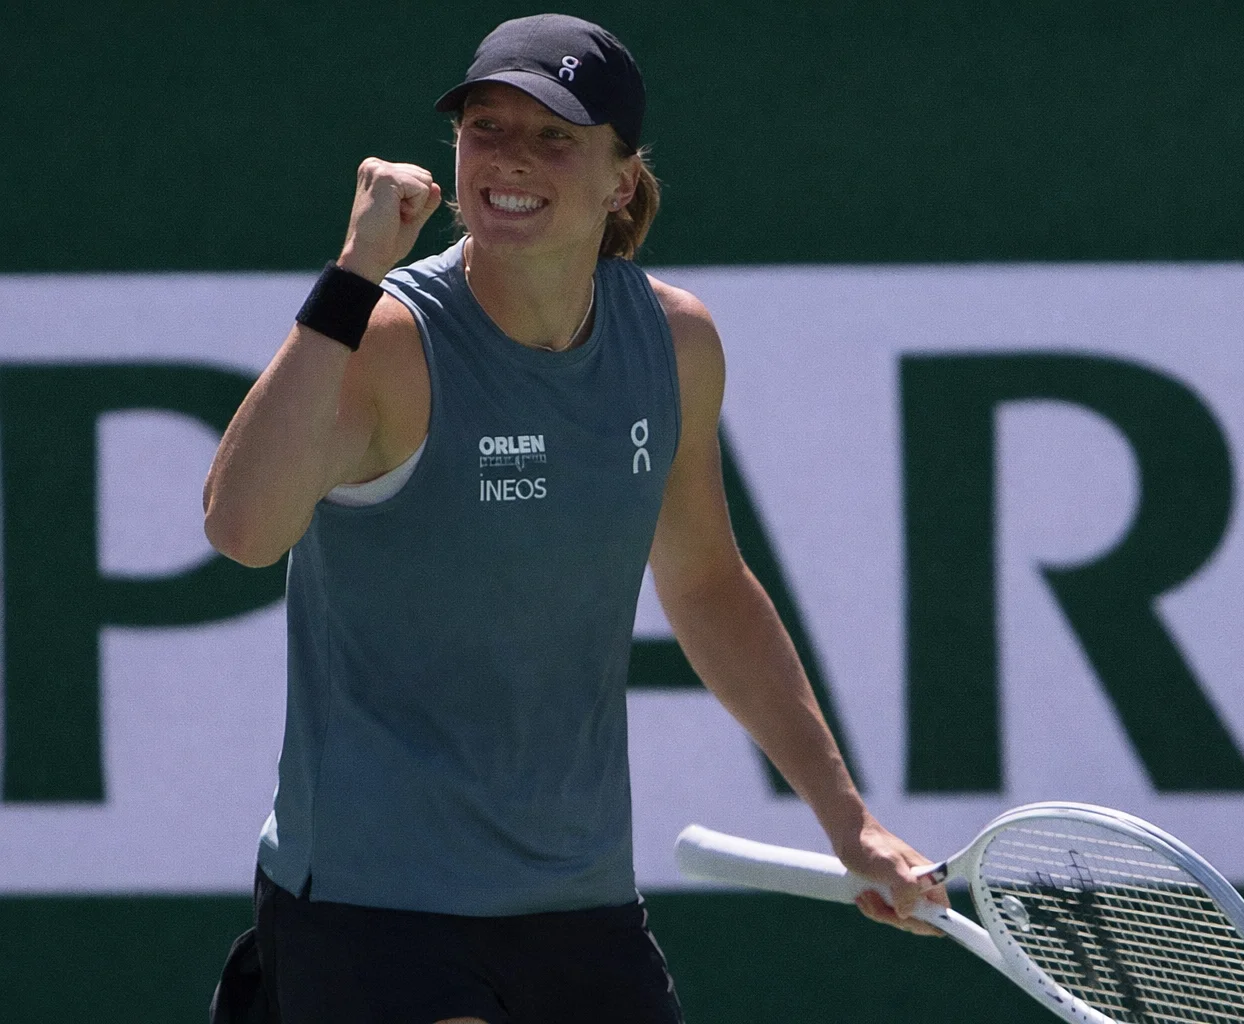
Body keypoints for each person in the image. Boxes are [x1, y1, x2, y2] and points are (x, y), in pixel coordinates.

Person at [203, 13, 944, 1023]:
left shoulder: (674, 342)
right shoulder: (387, 339)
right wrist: (352, 272)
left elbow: (707, 582)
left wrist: (849, 823)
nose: (511, 157)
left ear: (620, 180)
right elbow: (241, 530)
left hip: (580, 905)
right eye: (487, 128)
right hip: (374, 908)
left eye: (555, 136)